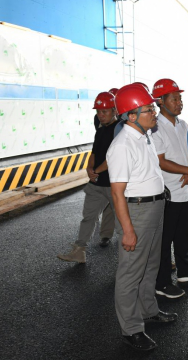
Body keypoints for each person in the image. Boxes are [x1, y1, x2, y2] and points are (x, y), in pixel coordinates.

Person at [107, 83, 176, 352]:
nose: (154, 113)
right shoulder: (122, 145)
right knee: (131, 272)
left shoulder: (144, 136)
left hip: (155, 207)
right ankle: (131, 329)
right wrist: (127, 230)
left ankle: (149, 311)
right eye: (149, 109)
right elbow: (117, 193)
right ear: (131, 115)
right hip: (137, 211)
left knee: (150, 265)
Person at [150, 78, 188, 299]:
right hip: (167, 193)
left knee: (183, 236)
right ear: (161, 101)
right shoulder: (156, 128)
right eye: (174, 98)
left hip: (185, 190)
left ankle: (185, 271)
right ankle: (161, 283)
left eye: (180, 98)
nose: (180, 102)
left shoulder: (183, 124)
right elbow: (161, 161)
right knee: (164, 241)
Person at [57, 92, 118, 263]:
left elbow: (114, 158)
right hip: (97, 184)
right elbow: (94, 153)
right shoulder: (101, 130)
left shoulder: (119, 130)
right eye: (98, 111)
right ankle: (79, 250)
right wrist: (89, 168)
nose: (101, 115)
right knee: (88, 217)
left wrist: (95, 170)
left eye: (104, 111)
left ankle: (131, 257)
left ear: (114, 110)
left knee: (122, 221)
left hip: (115, 184)